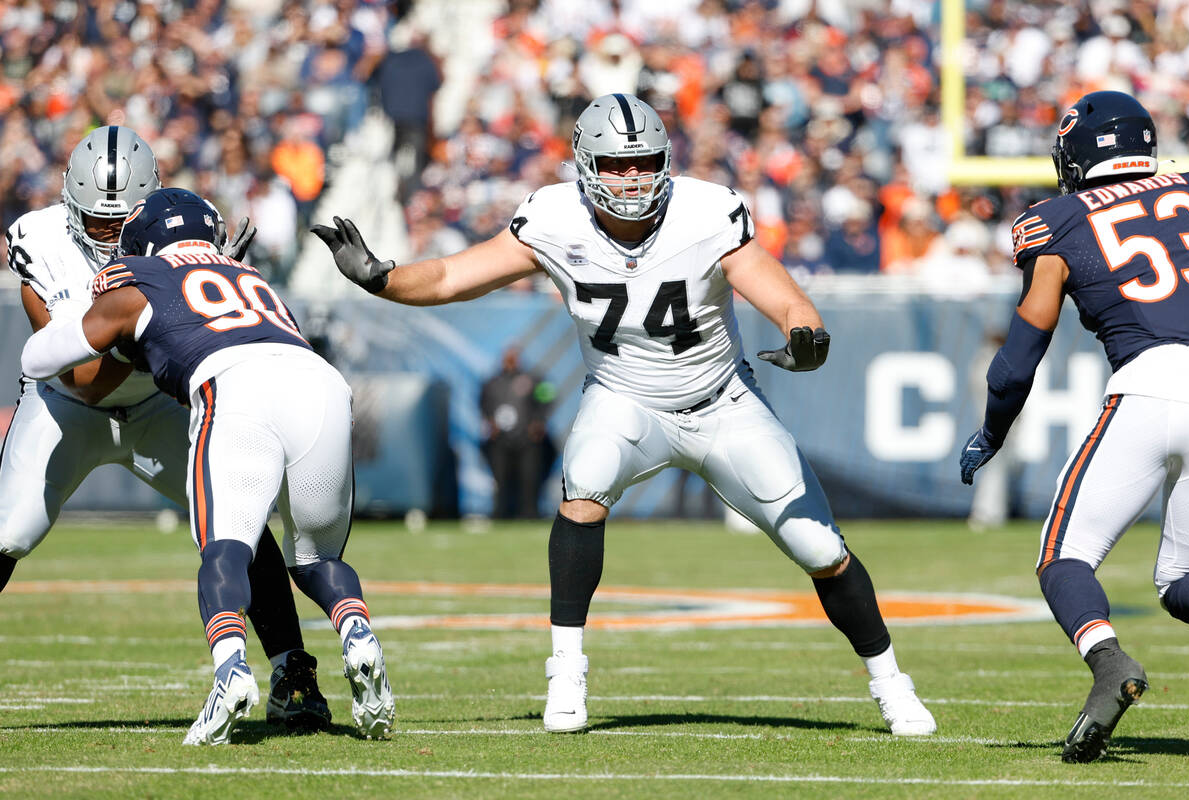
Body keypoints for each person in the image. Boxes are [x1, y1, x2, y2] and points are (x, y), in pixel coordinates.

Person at [312, 93, 936, 737]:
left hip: (721, 400)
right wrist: (382, 279)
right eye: (615, 165)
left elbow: (780, 291)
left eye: (644, 163)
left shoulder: (707, 211)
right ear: (584, 164)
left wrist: (804, 330)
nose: (633, 178)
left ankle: (892, 684)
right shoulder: (553, 217)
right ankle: (567, 673)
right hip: (623, 398)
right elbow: (448, 276)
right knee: (585, 479)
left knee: (820, 547)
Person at [20, 188, 394, 746]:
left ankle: (231, 671)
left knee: (225, 548)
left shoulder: (134, 277)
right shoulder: (255, 279)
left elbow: (39, 358)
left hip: (235, 388)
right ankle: (358, 633)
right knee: (315, 557)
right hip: (320, 384)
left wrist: (113, 330)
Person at [959, 90, 1189, 763]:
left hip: (1150, 384)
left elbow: (1017, 359)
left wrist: (993, 431)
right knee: (1184, 585)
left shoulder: (1057, 221)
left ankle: (1107, 663)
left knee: (1062, 554)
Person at [479, 346, 551, 519]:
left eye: (514, 357)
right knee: (500, 480)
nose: (510, 360)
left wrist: (539, 421)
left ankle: (530, 514)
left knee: (529, 478)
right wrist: (489, 421)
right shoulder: (492, 382)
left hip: (527, 440)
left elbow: (548, 396)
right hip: (501, 441)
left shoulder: (532, 380)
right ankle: (500, 514)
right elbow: (482, 403)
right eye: (507, 357)